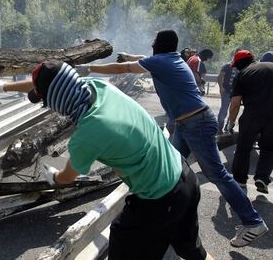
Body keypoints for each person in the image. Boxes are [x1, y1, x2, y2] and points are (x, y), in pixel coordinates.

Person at [0, 60, 213, 260]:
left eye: (45, 101)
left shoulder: (88, 133)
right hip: (183, 174)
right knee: (189, 248)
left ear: (57, 100)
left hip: (162, 199)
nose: (48, 106)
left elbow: (66, 178)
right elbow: (53, 83)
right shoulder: (97, 87)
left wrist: (54, 177)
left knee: (123, 241)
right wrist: (4, 87)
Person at [75, 30, 268, 247]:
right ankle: (171, 221)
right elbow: (138, 60)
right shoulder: (171, 57)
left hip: (197, 124)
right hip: (186, 125)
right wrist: (130, 55)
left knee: (217, 174)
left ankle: (253, 222)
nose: (151, 44)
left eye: (154, 41)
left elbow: (126, 69)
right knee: (173, 169)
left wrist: (86, 69)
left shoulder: (162, 61)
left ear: (159, 45)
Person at [228, 50, 273, 194]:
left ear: (240, 63)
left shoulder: (243, 74)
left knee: (243, 148)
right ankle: (262, 178)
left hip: (252, 115)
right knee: (269, 149)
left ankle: (240, 180)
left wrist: (231, 123)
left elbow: (235, 103)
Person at [216, 49, 240, 134]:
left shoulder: (242, 67)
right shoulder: (227, 66)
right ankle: (219, 127)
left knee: (233, 110)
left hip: (236, 93)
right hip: (226, 91)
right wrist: (221, 87)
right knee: (224, 110)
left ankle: (228, 127)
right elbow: (220, 77)